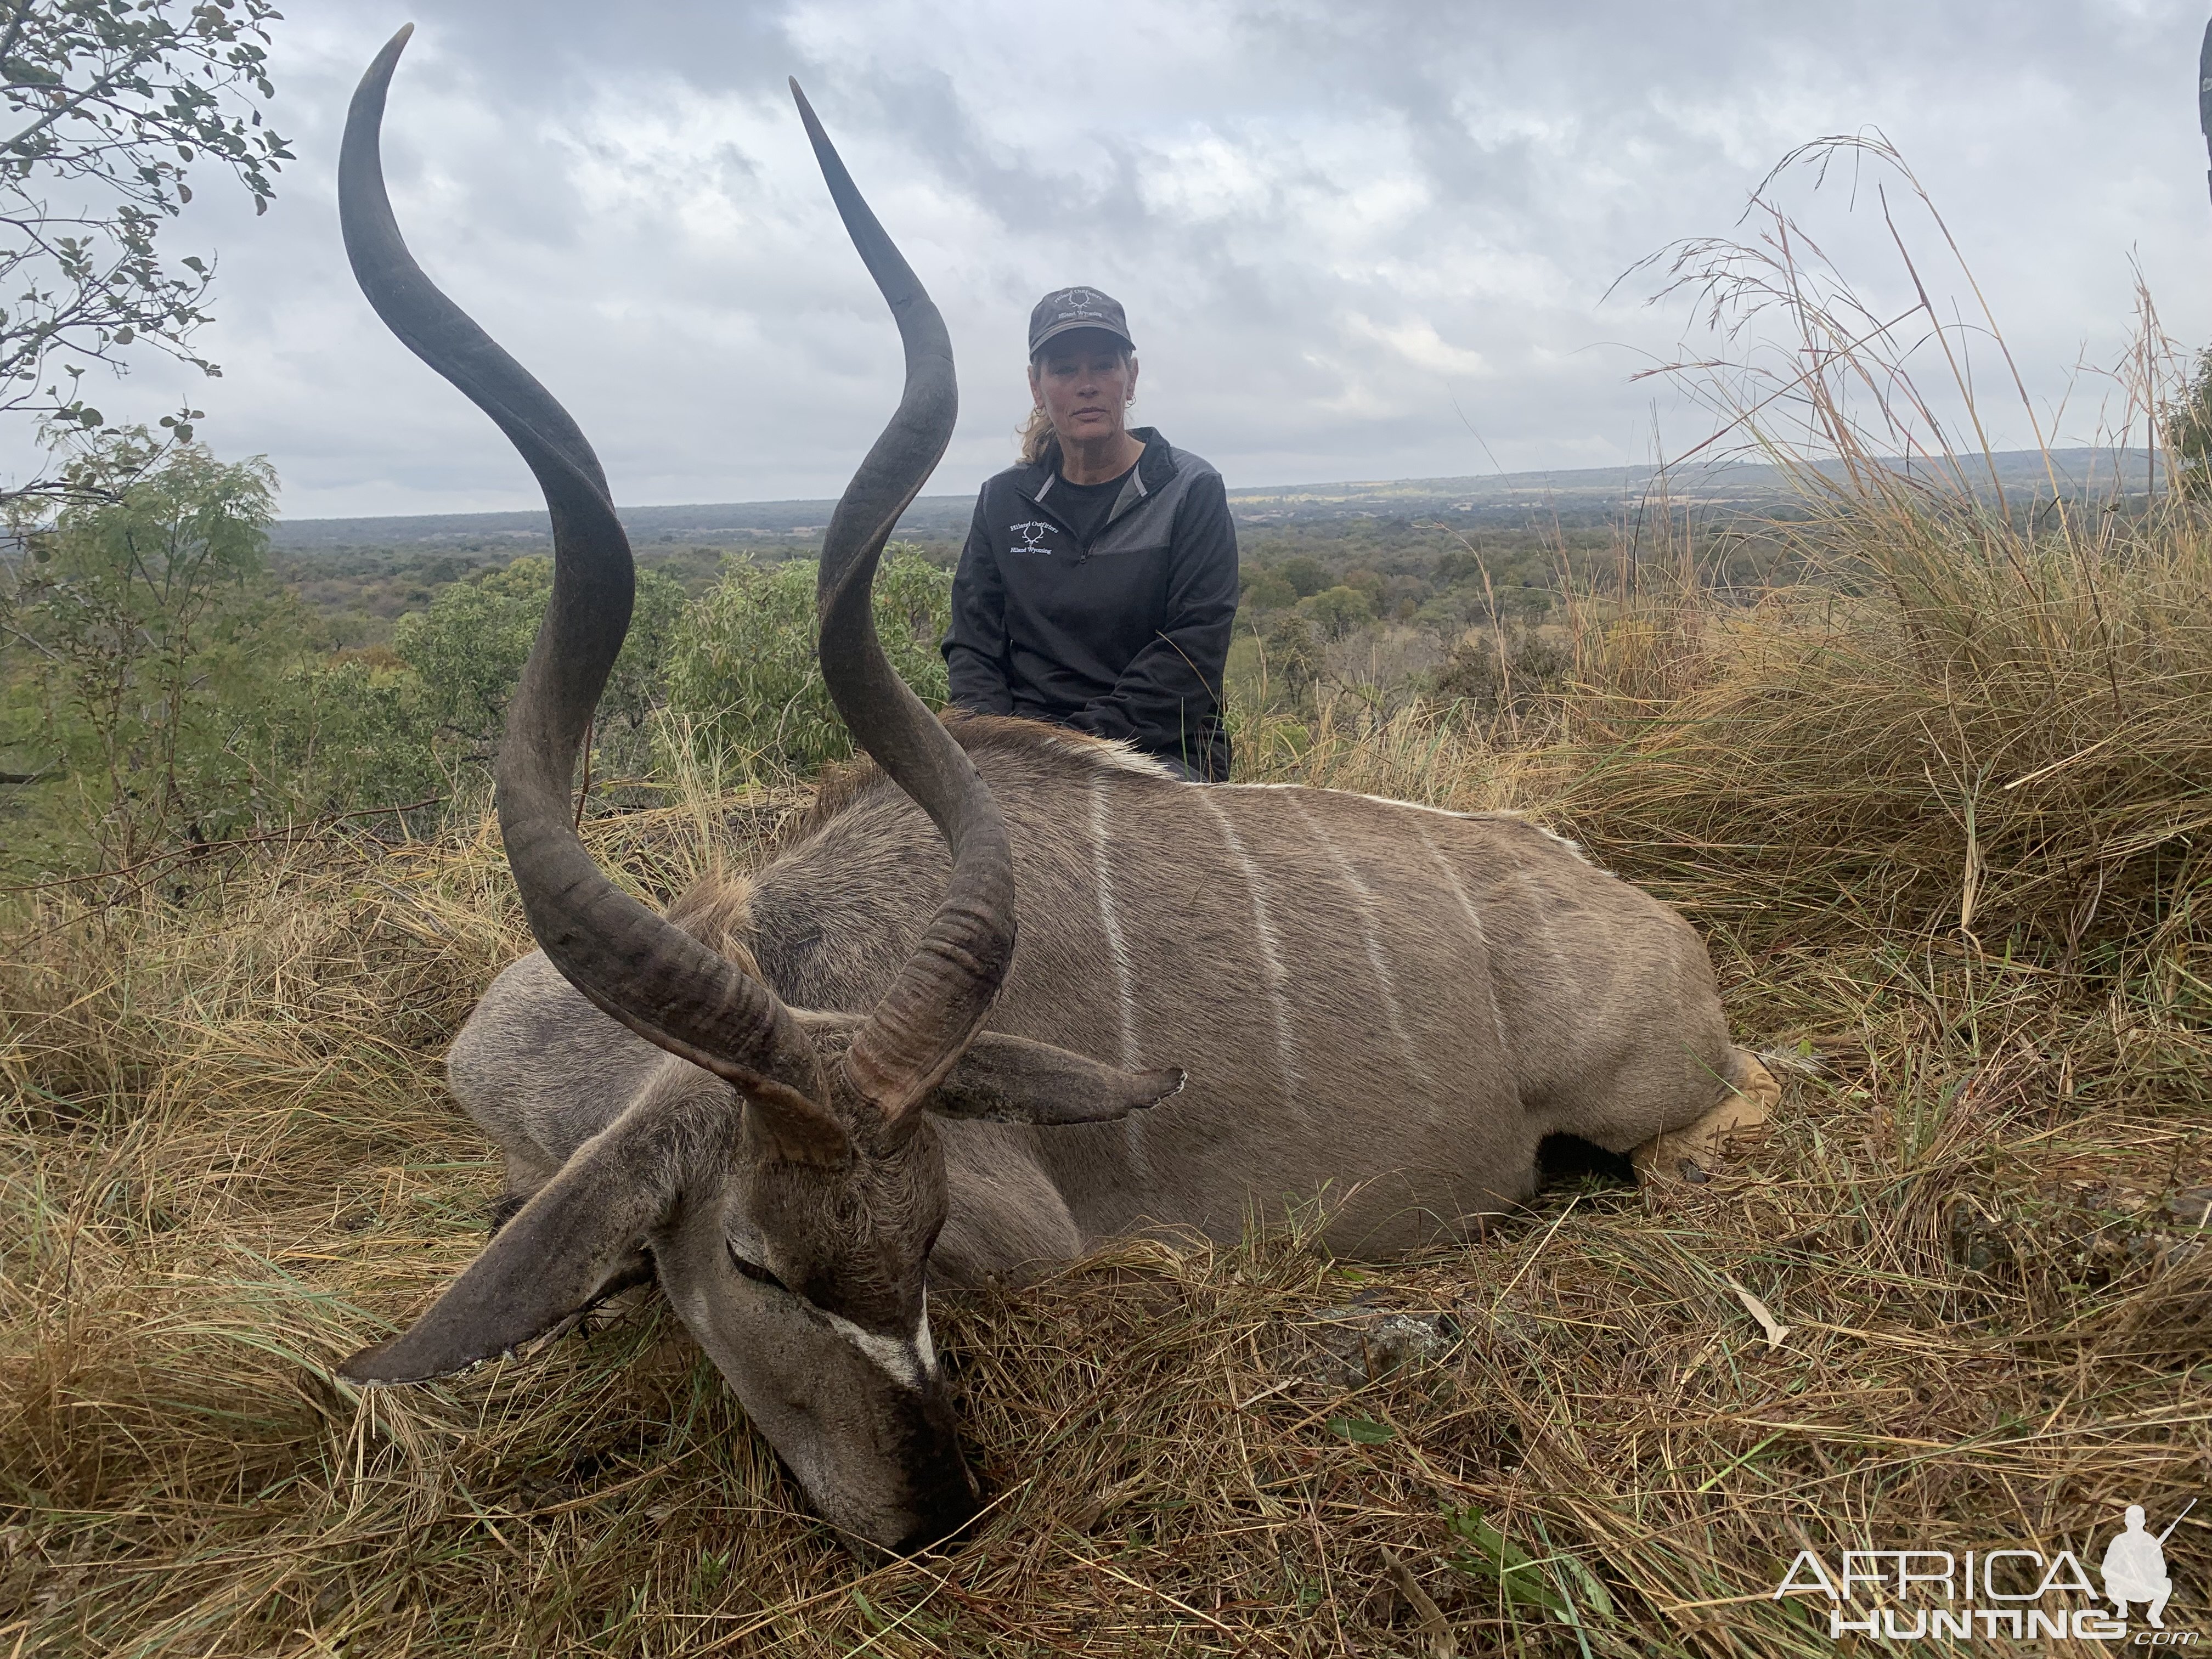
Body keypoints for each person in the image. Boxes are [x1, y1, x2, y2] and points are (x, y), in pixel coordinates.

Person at [942, 287, 1238, 781]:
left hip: (1157, 750)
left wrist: (1071, 749)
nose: (1087, 385)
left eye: (1103, 365)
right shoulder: (1002, 500)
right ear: (1037, 386)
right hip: (1020, 753)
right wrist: (989, 746)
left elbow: (1192, 653)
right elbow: (974, 648)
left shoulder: (1190, 490)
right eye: (1064, 370)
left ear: (1131, 378)